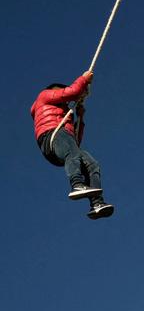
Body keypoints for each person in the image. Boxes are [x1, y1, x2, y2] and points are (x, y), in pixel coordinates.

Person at [31, 71, 114, 220]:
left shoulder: (66, 116)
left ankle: (97, 203)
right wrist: (84, 79)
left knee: (91, 164)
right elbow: (72, 92)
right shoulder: (44, 95)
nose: (64, 99)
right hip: (51, 135)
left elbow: (75, 141)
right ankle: (77, 184)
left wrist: (80, 115)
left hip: (61, 143)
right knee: (73, 153)